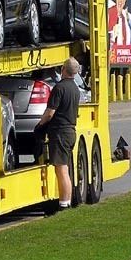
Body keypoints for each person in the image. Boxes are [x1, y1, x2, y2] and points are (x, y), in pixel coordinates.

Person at [34, 57, 81, 209]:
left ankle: (64, 203)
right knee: (64, 168)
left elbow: (50, 113)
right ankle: (65, 201)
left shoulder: (59, 88)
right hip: (70, 131)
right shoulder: (75, 88)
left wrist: (40, 125)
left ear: (63, 70)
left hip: (60, 132)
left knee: (61, 170)